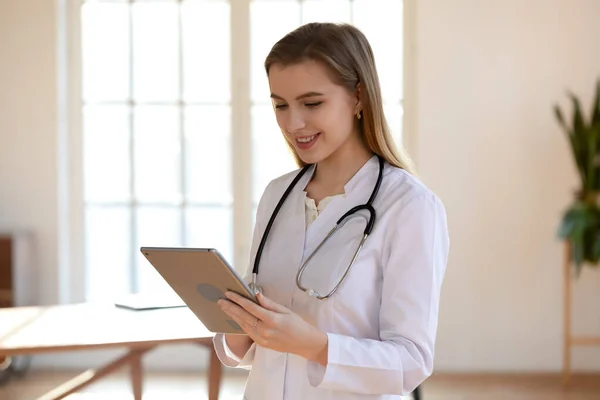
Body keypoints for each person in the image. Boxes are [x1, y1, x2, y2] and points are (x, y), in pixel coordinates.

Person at [213, 22, 449, 400]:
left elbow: (411, 361)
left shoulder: (409, 207)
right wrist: (240, 326)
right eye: (280, 105)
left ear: (358, 97)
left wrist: (317, 345)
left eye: (312, 103)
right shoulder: (278, 194)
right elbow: (250, 344)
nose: (293, 123)